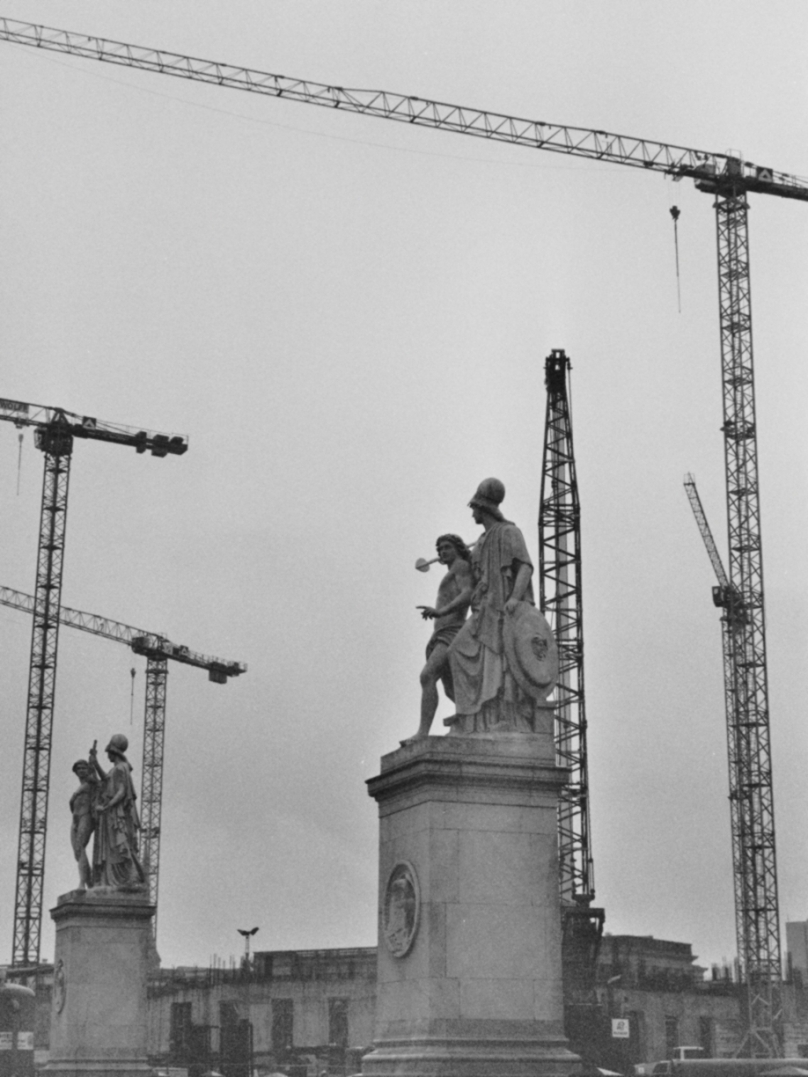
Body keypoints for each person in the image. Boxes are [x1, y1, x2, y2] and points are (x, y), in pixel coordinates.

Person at [447, 478, 557, 733]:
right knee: (457, 652)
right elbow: (473, 575)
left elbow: (525, 567)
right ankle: (472, 718)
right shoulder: (483, 540)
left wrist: (515, 598)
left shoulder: (509, 533)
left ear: (483, 507)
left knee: (501, 662)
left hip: (502, 609)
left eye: (474, 507)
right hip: (483, 610)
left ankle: (503, 716)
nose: (472, 512)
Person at [404, 534, 472, 743]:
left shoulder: (460, 566)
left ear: (458, 549)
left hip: (452, 632)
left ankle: (423, 733)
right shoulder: (453, 570)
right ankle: (471, 721)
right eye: (440, 549)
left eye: (447, 548)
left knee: (427, 675)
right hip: (442, 633)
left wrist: (441, 612)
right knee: (452, 690)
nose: (442, 552)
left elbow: (467, 593)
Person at [90, 734, 145, 889]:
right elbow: (106, 779)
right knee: (114, 847)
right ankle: (117, 879)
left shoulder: (121, 768)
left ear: (113, 752)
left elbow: (122, 791)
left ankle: (132, 878)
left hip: (117, 813)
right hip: (112, 812)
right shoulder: (117, 769)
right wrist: (95, 764)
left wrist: (108, 806)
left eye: (108, 752)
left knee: (121, 845)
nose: (107, 755)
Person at [69, 757, 98, 890]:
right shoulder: (80, 787)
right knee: (77, 852)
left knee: (80, 847)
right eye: (78, 768)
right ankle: (89, 882)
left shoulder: (91, 783)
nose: (81, 771)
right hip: (76, 820)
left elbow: (97, 781)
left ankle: (83, 882)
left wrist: (93, 762)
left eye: (84, 768)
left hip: (86, 817)